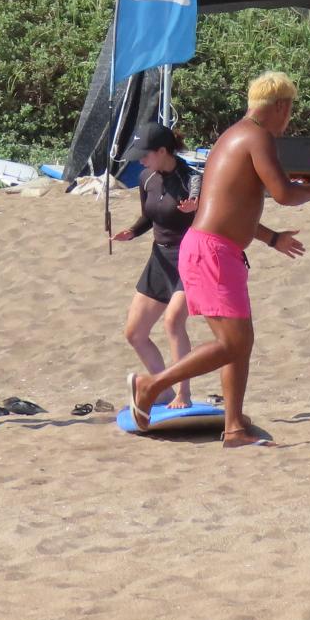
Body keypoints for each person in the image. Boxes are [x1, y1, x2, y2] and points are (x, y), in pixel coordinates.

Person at [127, 71, 310, 448]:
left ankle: (235, 428)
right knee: (232, 343)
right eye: (290, 111)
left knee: (241, 342)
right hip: (211, 252)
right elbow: (284, 194)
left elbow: (233, 207)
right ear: (281, 106)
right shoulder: (257, 136)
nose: (288, 120)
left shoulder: (234, 135)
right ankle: (151, 385)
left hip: (218, 250)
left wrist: (272, 238)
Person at [110, 124, 198, 410]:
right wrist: (132, 231)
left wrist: (196, 208)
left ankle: (184, 394)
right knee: (135, 333)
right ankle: (164, 390)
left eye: (144, 155)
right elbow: (150, 217)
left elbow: (211, 215)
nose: (140, 161)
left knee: (173, 322)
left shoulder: (192, 180)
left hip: (189, 258)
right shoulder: (146, 178)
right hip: (159, 259)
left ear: (162, 151)